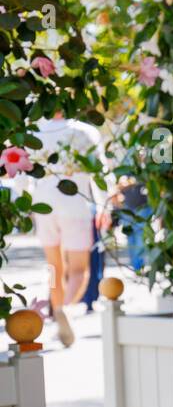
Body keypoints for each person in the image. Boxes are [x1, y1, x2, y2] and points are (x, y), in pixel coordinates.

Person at [25, 115, 102, 348]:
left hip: (43, 204)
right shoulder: (86, 132)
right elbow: (99, 171)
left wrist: (27, 202)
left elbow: (23, 176)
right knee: (79, 269)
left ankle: (57, 308)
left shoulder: (33, 133)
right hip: (75, 204)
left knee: (53, 265)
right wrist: (102, 204)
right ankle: (65, 309)